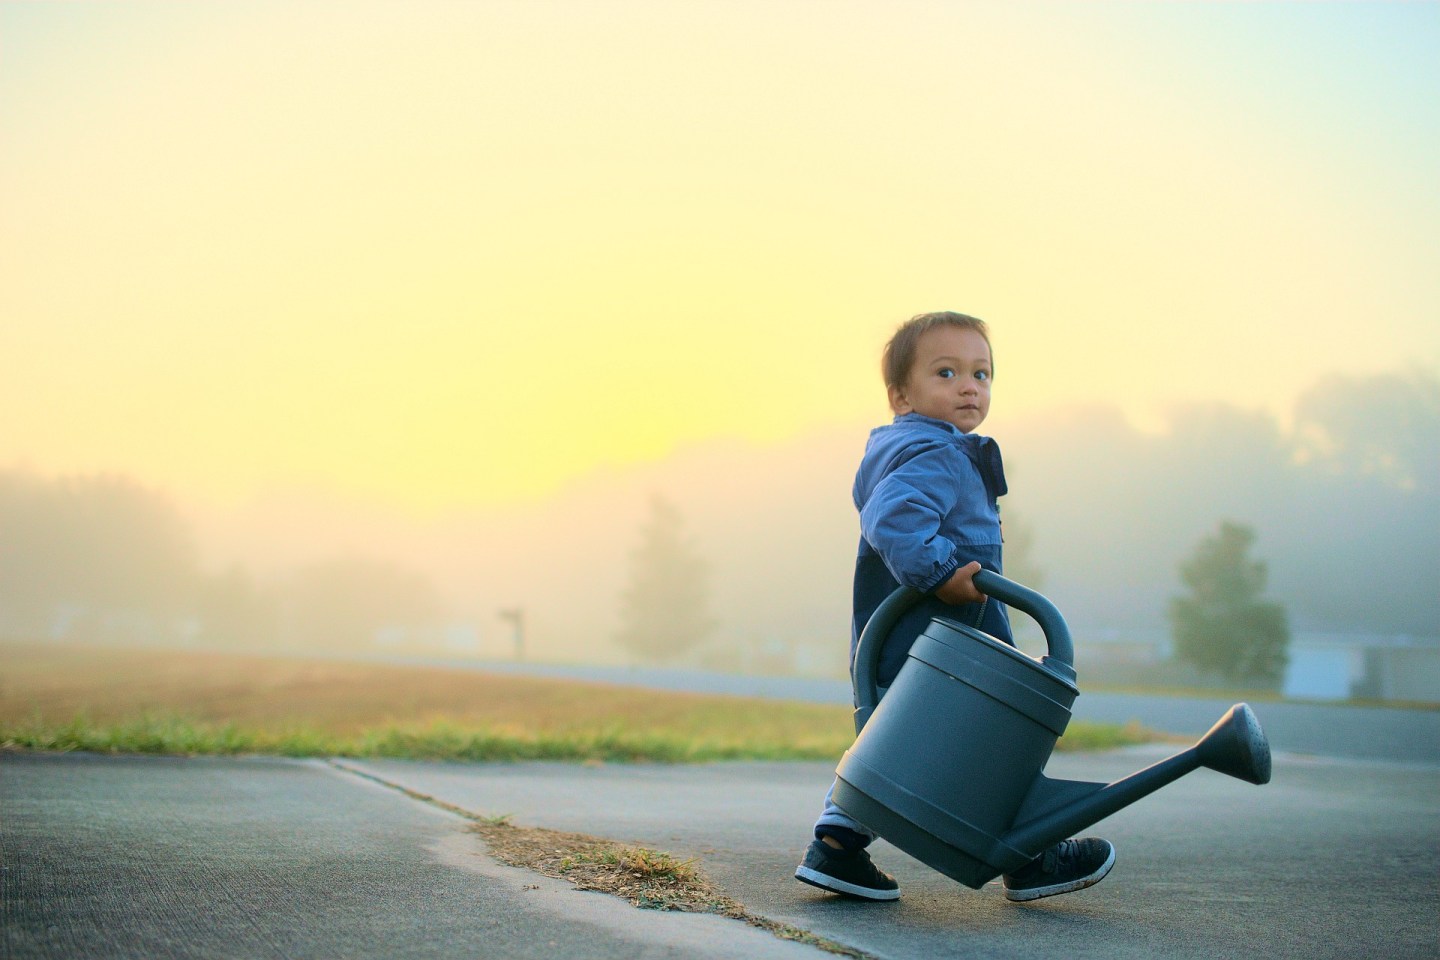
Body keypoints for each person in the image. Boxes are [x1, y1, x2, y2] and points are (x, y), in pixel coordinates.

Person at [793, 311, 1114, 903]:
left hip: (915, 637)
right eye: (946, 373)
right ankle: (1031, 858)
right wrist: (942, 571)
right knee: (993, 740)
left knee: (899, 746)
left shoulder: (910, 448)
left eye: (981, 374)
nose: (969, 387)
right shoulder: (937, 453)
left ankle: (837, 845)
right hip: (943, 635)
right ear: (901, 395)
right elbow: (893, 518)